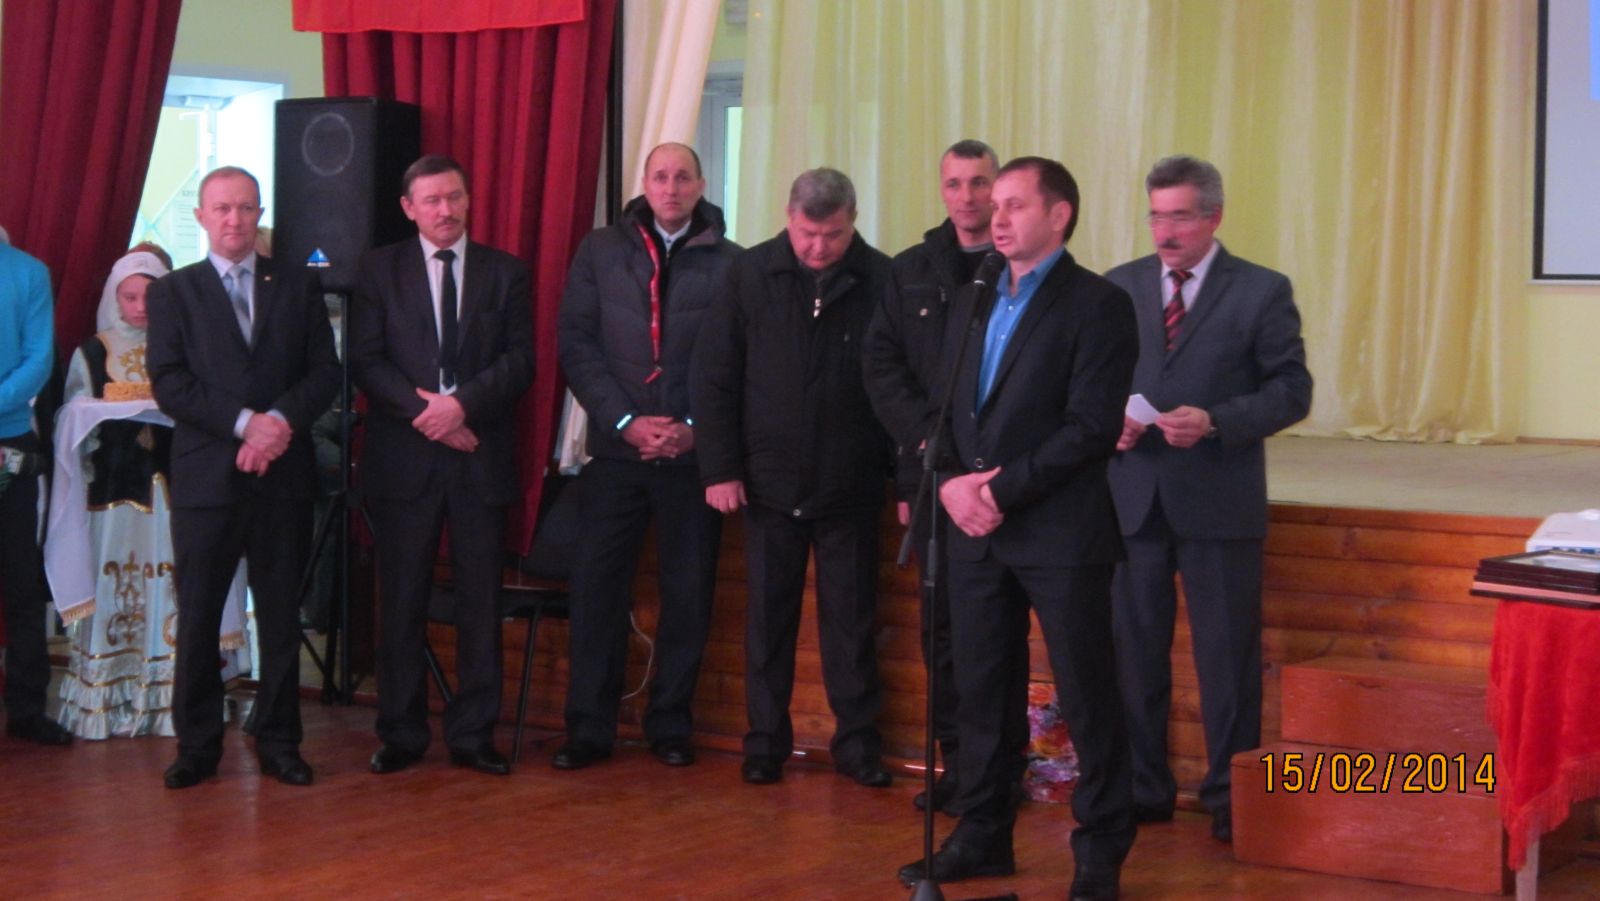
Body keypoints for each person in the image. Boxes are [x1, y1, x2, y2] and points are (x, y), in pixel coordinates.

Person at [896, 157, 1138, 901]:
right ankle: (983, 830)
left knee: (1087, 692)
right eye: (993, 204)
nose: (995, 217)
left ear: (1059, 215)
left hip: (1059, 531)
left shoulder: (1098, 304)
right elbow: (947, 408)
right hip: (974, 528)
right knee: (980, 688)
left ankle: (1099, 849)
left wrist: (997, 489)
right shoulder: (975, 297)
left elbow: (1090, 427)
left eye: (1014, 204)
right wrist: (951, 483)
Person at [1106, 154, 1312, 843]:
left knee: (1226, 659)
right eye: (1156, 215)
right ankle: (1143, 787)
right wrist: (1110, 422)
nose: (1165, 231)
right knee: (1134, 655)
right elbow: (1089, 380)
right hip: (1133, 498)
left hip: (1218, 497)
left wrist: (1217, 420)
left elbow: (1292, 390)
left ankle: (1229, 795)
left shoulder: (1260, 290)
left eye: (1181, 217)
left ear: (1214, 216)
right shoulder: (1120, 286)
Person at [691, 167, 894, 789]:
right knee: (767, 623)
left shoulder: (882, 278)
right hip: (767, 483)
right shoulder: (748, 274)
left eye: (832, 235)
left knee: (852, 625)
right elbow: (714, 376)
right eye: (808, 233)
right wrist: (720, 467)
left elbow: (900, 387)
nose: (818, 247)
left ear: (852, 222)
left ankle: (857, 746)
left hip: (851, 483)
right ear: (788, 217)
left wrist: (906, 481)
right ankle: (764, 743)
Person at [146, 166, 338, 788]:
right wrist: (245, 424)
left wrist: (277, 423)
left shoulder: (298, 285)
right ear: (201, 217)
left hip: (282, 474)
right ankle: (197, 746)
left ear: (260, 214)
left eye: (246, 208)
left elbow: (324, 372)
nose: (235, 220)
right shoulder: (173, 291)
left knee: (281, 616)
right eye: (223, 209)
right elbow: (170, 382)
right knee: (200, 616)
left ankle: (279, 739)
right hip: (208, 477)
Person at [552, 143, 738, 770]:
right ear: (645, 183)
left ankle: (670, 726)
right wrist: (626, 423)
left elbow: (735, 362)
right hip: (617, 453)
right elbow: (577, 344)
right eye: (660, 176)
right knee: (596, 593)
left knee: (689, 596)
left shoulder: (733, 263)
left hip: (691, 460)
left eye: (683, 177)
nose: (671, 187)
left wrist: (693, 430)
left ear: (701, 185)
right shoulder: (601, 251)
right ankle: (589, 729)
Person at [351, 154, 533, 778]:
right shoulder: (378, 270)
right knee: (401, 599)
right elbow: (366, 361)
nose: (445, 210)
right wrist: (429, 413)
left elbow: (520, 362)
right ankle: (401, 732)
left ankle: (474, 734)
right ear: (409, 208)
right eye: (431, 200)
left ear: (469, 199)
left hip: (479, 455)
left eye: (454, 196)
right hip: (404, 459)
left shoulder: (505, 272)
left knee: (481, 600)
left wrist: (461, 408)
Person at [864, 139, 1016, 815]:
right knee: (943, 634)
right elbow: (881, 366)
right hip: (931, 477)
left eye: (979, 182)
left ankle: (1000, 771)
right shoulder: (910, 270)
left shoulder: (1019, 266)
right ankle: (958, 766)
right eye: (955, 183)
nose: (967, 196)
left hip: (1000, 480)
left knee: (997, 635)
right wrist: (923, 446)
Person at [46, 251, 252, 739]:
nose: (140, 307)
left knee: (179, 585)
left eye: (150, 297)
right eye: (130, 297)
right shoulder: (93, 352)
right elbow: (72, 414)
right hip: (114, 497)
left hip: (178, 490)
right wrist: (88, 418)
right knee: (116, 586)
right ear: (115, 298)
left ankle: (176, 697)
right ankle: (109, 695)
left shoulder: (188, 345)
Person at [0, 236, 73, 747]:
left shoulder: (28, 272)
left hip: (11, 441)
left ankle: (27, 709)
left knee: (22, 581)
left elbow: (38, 359)